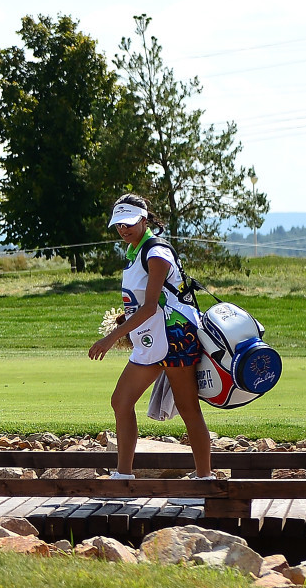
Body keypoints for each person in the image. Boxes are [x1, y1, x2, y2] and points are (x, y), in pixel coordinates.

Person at [88, 193, 213, 480]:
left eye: (129, 223)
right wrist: (125, 321)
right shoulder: (136, 251)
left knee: (188, 409)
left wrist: (110, 339)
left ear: (144, 220)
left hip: (177, 337)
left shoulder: (155, 252)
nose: (123, 229)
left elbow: (150, 306)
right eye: (118, 224)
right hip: (153, 337)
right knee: (121, 400)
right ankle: (123, 476)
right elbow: (143, 303)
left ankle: (205, 479)